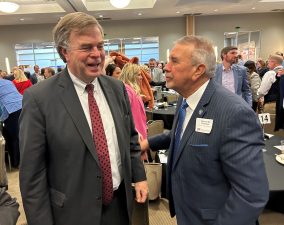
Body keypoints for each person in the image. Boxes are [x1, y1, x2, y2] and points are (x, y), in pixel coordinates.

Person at [19, 12, 148, 225]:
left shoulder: (117, 89)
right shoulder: (39, 98)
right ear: (64, 52)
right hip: (71, 214)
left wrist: (139, 176)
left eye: (100, 46)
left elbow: (131, 140)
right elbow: (32, 176)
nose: (97, 54)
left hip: (119, 207)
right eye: (86, 47)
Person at [140, 36, 269, 225]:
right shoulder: (186, 98)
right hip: (189, 211)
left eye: (174, 61)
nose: (165, 67)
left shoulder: (234, 113)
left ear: (198, 70)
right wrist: (149, 142)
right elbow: (182, 133)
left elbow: (251, 195)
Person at [119, 63, 147, 159]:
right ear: (131, 75)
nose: (141, 77)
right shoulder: (127, 90)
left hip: (138, 136)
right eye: (138, 75)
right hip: (135, 138)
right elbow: (123, 115)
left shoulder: (131, 90)